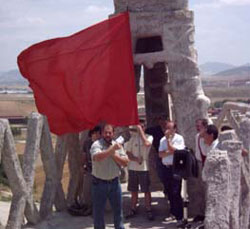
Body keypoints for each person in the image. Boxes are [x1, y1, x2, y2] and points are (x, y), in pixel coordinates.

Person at [90, 124, 129, 229]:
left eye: (110, 133)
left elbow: (125, 162)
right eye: (106, 132)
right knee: (98, 213)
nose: (108, 135)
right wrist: (111, 150)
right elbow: (97, 157)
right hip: (99, 184)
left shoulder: (117, 145)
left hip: (115, 184)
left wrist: (113, 153)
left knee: (118, 212)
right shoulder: (96, 145)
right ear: (102, 133)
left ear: (113, 133)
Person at [124, 119, 154, 220]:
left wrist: (140, 130)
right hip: (133, 167)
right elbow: (128, 152)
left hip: (144, 168)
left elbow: (147, 144)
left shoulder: (149, 137)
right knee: (133, 190)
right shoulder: (133, 138)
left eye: (142, 126)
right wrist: (136, 159)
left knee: (146, 190)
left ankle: (148, 208)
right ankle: (133, 208)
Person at [158, 120, 185, 228]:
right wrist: (169, 151)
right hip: (166, 168)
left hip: (176, 168)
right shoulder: (162, 140)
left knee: (176, 192)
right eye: (166, 128)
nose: (167, 131)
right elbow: (160, 154)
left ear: (175, 129)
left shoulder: (179, 138)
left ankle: (180, 216)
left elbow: (177, 151)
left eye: (170, 128)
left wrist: (169, 144)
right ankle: (173, 212)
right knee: (168, 191)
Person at [145, 116, 168, 195]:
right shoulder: (155, 130)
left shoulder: (171, 129)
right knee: (161, 173)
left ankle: (168, 190)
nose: (162, 122)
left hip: (170, 155)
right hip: (160, 155)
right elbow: (145, 131)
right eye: (160, 120)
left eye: (164, 120)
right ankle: (166, 187)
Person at [81, 126, 101, 215]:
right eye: (95, 133)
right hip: (90, 168)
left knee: (99, 190)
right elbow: (84, 154)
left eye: (98, 133)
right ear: (91, 134)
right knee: (87, 189)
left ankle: (97, 208)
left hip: (100, 169)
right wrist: (84, 165)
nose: (97, 135)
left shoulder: (102, 143)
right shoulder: (87, 143)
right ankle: (89, 207)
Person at [193, 118, 208, 222]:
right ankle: (201, 213)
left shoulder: (208, 136)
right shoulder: (197, 136)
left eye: (199, 126)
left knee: (208, 190)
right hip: (199, 164)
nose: (197, 127)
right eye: (196, 126)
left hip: (207, 164)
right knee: (200, 191)